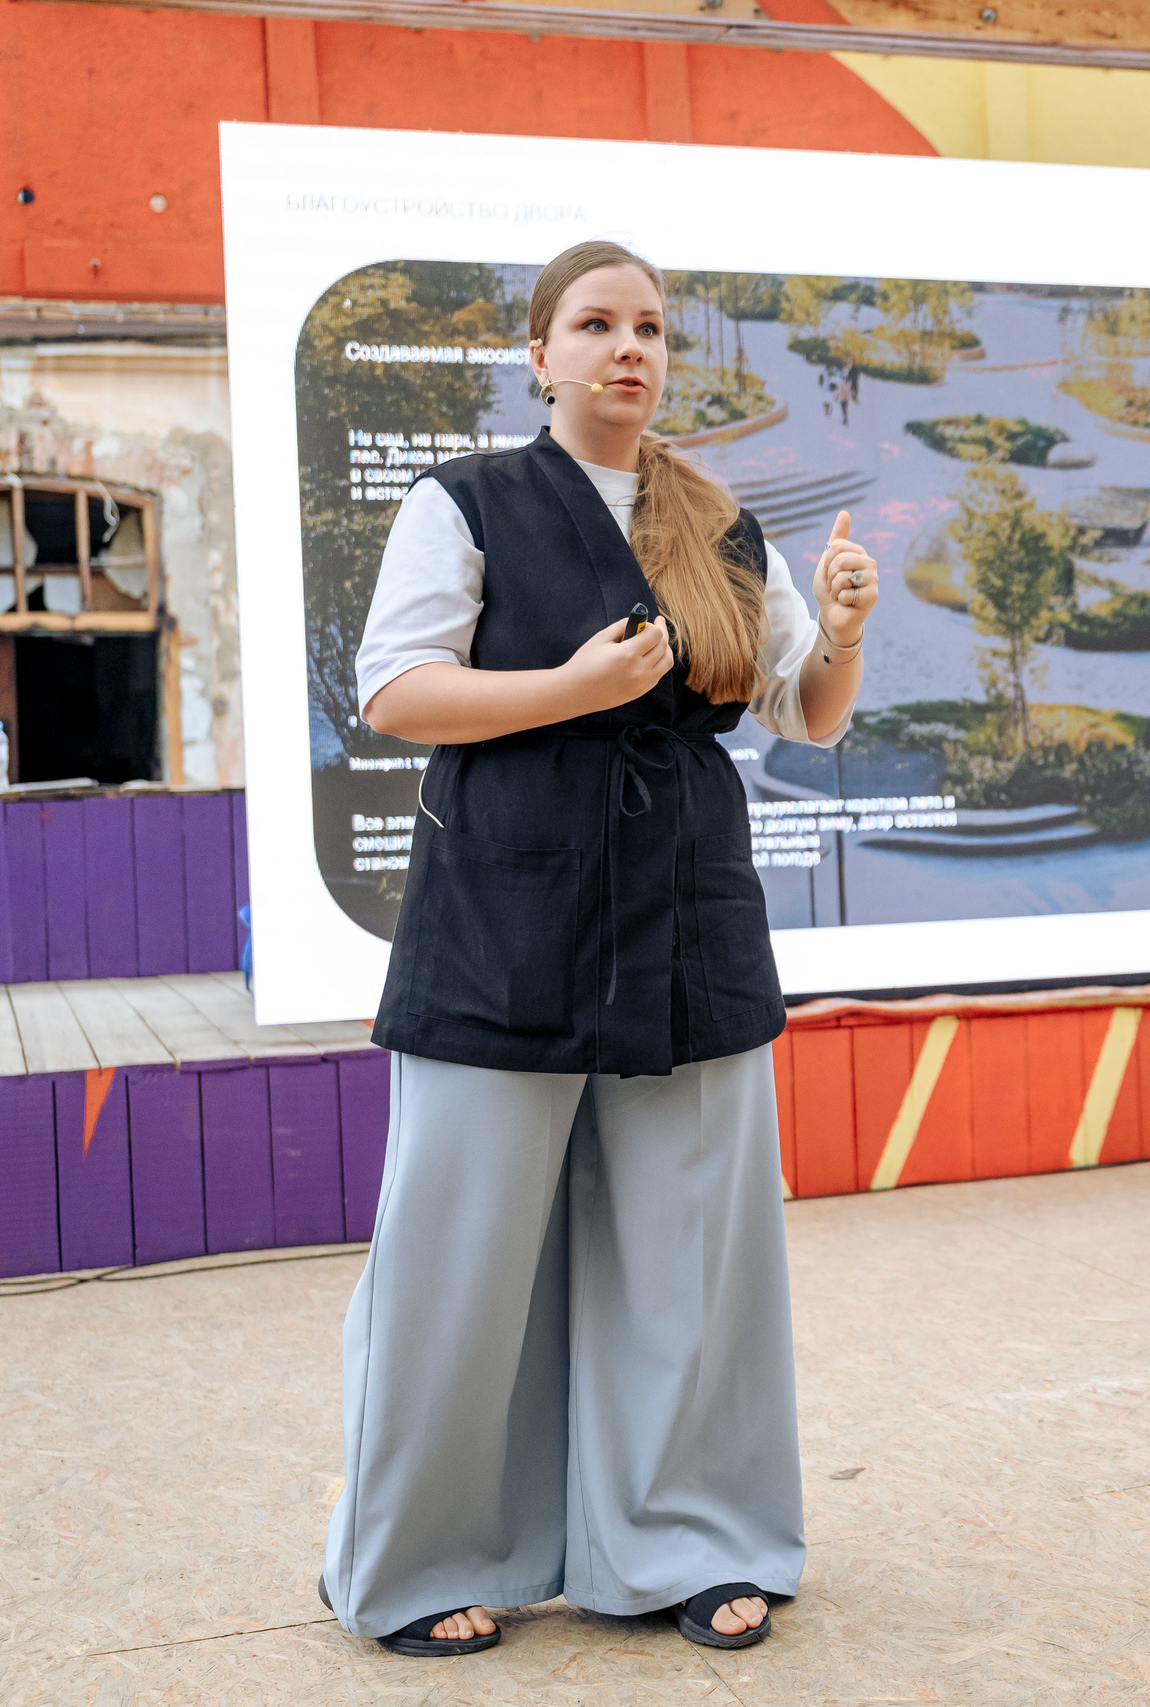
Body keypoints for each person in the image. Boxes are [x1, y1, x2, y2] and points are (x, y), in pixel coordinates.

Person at [327, 240, 882, 1659]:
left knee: (688, 1255)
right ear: (539, 354)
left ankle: (691, 1540)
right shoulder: (465, 503)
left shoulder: (718, 519)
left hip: (686, 912)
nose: (627, 347)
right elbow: (391, 692)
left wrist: (852, 629)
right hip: (504, 915)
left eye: (648, 326)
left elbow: (805, 714)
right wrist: (568, 687)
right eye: (594, 324)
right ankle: (419, 1559)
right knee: (462, 1258)